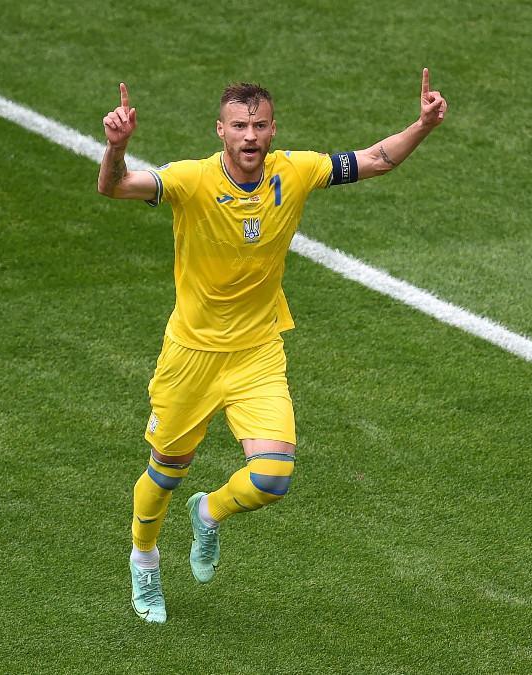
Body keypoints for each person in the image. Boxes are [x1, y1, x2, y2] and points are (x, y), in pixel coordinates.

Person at [97, 70, 448, 623]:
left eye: (259, 124)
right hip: (192, 356)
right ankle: (144, 559)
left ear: (273, 128)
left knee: (272, 478)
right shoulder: (190, 180)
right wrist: (116, 149)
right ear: (220, 131)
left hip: (258, 353)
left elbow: (376, 159)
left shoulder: (295, 170)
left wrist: (423, 125)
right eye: (239, 125)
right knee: (165, 471)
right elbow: (115, 187)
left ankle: (209, 512)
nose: (250, 135)